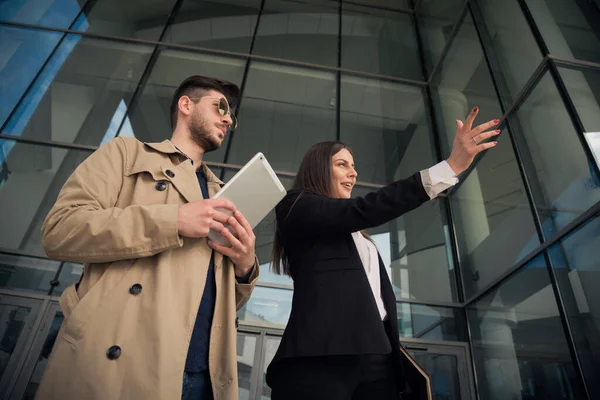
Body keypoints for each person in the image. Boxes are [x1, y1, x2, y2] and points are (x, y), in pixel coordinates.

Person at [36, 75, 259, 400]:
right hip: (121, 366)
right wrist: (172, 220)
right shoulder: (127, 153)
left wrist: (244, 266)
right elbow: (59, 229)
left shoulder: (223, 195)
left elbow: (216, 300)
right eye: (220, 107)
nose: (228, 118)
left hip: (205, 379)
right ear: (186, 105)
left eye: (231, 115)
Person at [266, 107, 500, 400]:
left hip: (378, 359)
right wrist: (450, 167)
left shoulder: (359, 237)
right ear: (317, 169)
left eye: (353, 166)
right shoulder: (296, 206)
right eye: (342, 164)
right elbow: (364, 209)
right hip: (321, 356)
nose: (353, 173)